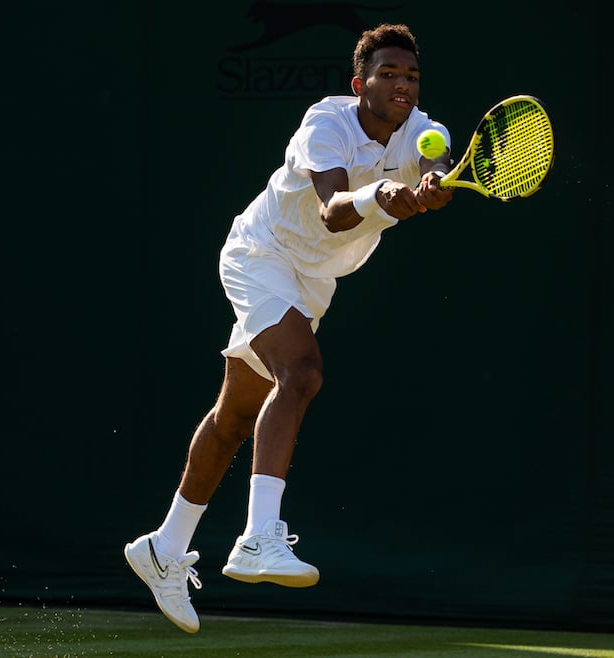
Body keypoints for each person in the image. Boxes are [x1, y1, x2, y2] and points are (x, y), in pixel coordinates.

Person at [124, 22, 454, 634]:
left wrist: (430, 191)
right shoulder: (324, 124)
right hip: (262, 253)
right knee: (300, 374)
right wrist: (384, 195)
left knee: (233, 419)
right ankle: (258, 537)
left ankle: (163, 547)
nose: (402, 86)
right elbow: (332, 213)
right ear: (360, 84)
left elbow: (434, 171)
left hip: (314, 281)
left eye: (410, 76)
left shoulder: (424, 134)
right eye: (388, 74)